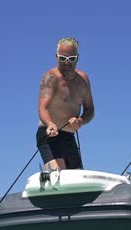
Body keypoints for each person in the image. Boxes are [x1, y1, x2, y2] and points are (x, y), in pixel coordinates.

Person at [36, 36, 95, 171]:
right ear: (56, 56)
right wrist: (50, 124)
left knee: (78, 179)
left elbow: (90, 110)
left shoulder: (83, 79)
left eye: (71, 59)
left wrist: (80, 121)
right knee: (60, 177)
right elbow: (42, 107)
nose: (66, 63)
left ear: (77, 57)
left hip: (69, 137)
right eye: (62, 58)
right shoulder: (50, 78)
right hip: (49, 135)